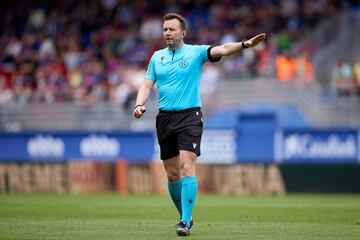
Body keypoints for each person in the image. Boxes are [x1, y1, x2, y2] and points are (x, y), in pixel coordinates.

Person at [133, 13, 265, 237]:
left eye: (172, 29)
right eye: (165, 29)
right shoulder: (157, 57)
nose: (167, 33)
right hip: (164, 118)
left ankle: (184, 222)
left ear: (183, 33)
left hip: (190, 117)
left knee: (187, 167)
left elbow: (222, 49)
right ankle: (186, 216)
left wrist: (245, 44)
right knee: (172, 174)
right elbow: (146, 85)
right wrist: (138, 104)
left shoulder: (195, 53)